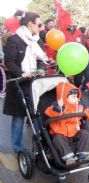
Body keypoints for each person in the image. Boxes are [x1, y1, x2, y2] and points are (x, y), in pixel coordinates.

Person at [3, 11, 48, 153]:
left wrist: (40, 69)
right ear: (30, 24)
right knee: (18, 117)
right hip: (18, 83)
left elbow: (41, 59)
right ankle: (18, 149)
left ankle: (40, 144)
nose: (41, 27)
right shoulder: (14, 40)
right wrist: (22, 73)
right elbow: (9, 62)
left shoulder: (37, 40)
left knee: (36, 114)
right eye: (39, 24)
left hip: (34, 83)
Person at [45, 82, 89, 165]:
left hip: (74, 130)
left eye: (77, 96)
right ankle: (68, 157)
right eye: (74, 97)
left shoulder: (80, 107)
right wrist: (59, 108)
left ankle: (83, 154)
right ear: (64, 97)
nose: (77, 99)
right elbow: (49, 112)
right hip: (60, 132)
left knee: (85, 133)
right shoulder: (57, 107)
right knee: (58, 139)